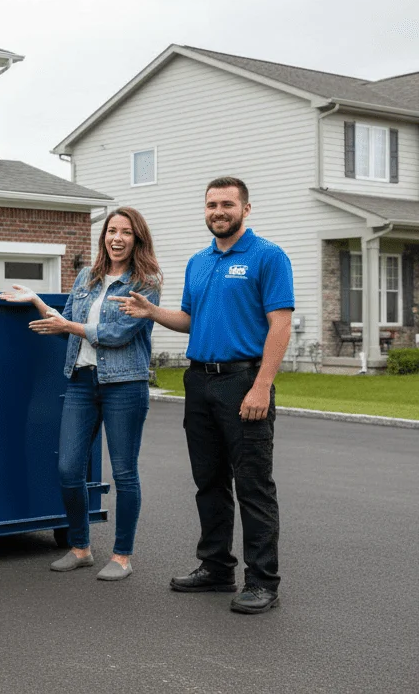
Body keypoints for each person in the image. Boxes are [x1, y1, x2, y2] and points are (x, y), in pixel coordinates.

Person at [112, 177, 293, 614]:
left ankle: (262, 581)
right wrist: (153, 312)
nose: (218, 211)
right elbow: (191, 320)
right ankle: (215, 568)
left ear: (245, 209)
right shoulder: (198, 262)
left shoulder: (268, 257)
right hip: (200, 382)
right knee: (209, 481)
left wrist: (262, 386)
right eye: (212, 204)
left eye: (227, 204)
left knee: (252, 485)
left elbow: (280, 325)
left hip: (243, 381)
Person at [0, 206, 160, 581]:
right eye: (111, 231)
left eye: (125, 232)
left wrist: (68, 324)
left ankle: (122, 556)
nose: (116, 238)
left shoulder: (145, 282)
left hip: (125, 384)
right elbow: (68, 317)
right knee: (68, 468)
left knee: (124, 473)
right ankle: (81, 547)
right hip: (82, 381)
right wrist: (38, 301)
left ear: (137, 238)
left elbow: (116, 333)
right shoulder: (88, 276)